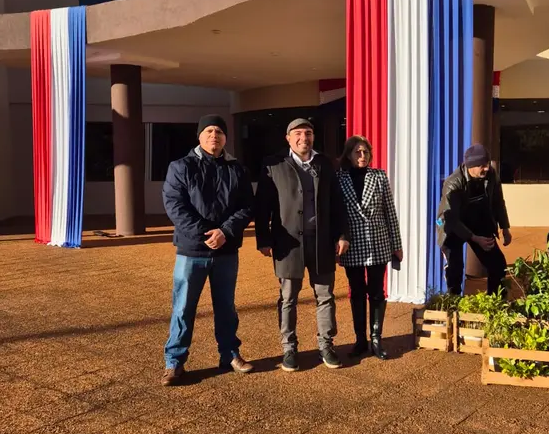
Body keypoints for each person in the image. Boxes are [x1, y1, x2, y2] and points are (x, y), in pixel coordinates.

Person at [162, 115, 254, 387]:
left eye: (219, 132)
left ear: (225, 138)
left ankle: (230, 355)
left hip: (226, 251)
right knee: (183, 308)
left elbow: (247, 206)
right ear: (200, 136)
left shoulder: (236, 169)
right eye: (209, 131)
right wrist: (207, 234)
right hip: (191, 252)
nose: (214, 135)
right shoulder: (181, 167)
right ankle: (174, 363)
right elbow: (175, 206)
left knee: (226, 307)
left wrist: (225, 232)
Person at [255, 118, 350, 372]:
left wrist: (342, 235)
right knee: (288, 298)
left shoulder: (326, 164)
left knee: (325, 296)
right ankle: (289, 347)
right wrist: (263, 239)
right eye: (297, 134)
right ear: (288, 138)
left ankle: (326, 344)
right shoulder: (273, 164)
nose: (303, 138)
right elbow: (263, 205)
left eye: (308, 133)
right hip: (288, 244)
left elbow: (337, 204)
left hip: (321, 242)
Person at [337, 135, 403, 360]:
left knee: (376, 292)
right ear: (348, 154)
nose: (362, 156)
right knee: (356, 292)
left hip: (378, 243)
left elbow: (390, 212)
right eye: (357, 151)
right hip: (352, 245)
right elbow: (336, 214)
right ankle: (359, 340)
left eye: (365, 152)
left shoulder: (379, 176)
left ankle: (377, 339)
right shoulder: (339, 178)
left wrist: (397, 244)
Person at [437, 143, 512, 296]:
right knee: (455, 269)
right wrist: (474, 238)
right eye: (481, 165)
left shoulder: (491, 175)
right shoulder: (453, 183)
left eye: (487, 164)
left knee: (498, 265)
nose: (486, 168)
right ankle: (454, 305)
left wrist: (505, 227)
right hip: (453, 226)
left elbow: (498, 201)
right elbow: (450, 218)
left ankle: (496, 304)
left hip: (478, 222)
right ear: (470, 166)